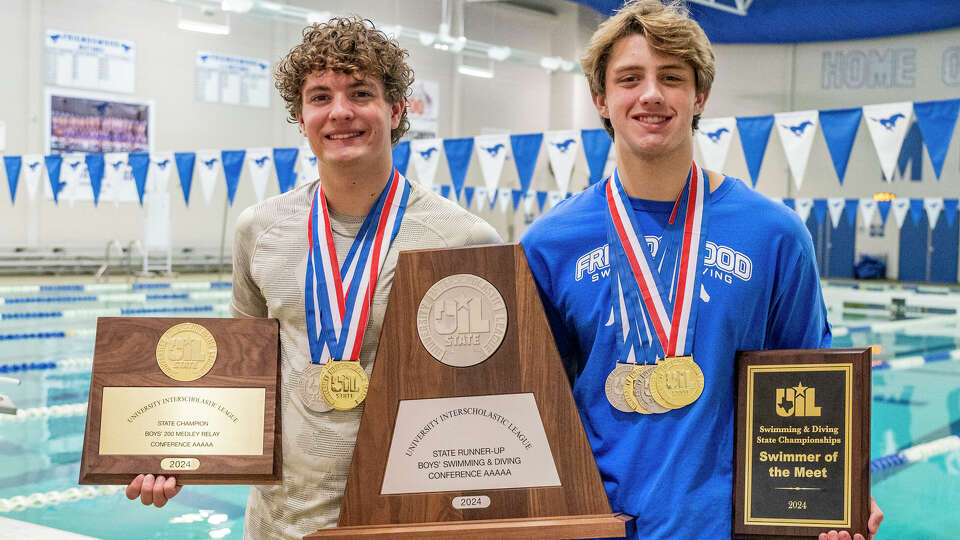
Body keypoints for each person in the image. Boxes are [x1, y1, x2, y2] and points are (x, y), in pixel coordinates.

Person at [125, 16, 501, 539]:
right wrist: (177, 451)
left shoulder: (463, 239)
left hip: (410, 520)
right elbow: (240, 371)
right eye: (320, 96)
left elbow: (490, 397)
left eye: (360, 93)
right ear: (300, 118)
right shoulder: (260, 229)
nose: (340, 112)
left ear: (396, 110)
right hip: (282, 522)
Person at [519, 1, 882, 539]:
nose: (651, 94)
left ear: (699, 96)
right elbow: (532, 406)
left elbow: (811, 388)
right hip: (600, 526)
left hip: (737, 526)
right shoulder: (550, 244)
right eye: (629, 78)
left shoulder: (774, 234)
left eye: (672, 77)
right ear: (600, 98)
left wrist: (837, 493)